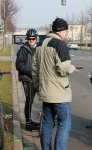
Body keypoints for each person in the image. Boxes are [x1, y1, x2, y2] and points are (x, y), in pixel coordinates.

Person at [32, 18, 76, 150]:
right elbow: (63, 69)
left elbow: (34, 70)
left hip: (45, 92)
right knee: (65, 123)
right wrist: (71, 68)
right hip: (59, 94)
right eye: (66, 31)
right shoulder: (60, 45)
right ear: (61, 31)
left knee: (46, 123)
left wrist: (38, 87)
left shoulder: (40, 44)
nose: (67, 34)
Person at [15, 28, 39, 131]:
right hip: (28, 78)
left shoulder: (38, 48)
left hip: (38, 78)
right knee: (29, 100)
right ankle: (28, 123)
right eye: (29, 38)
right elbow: (19, 65)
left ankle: (44, 121)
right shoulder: (23, 50)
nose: (31, 40)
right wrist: (30, 71)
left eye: (33, 38)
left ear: (36, 39)